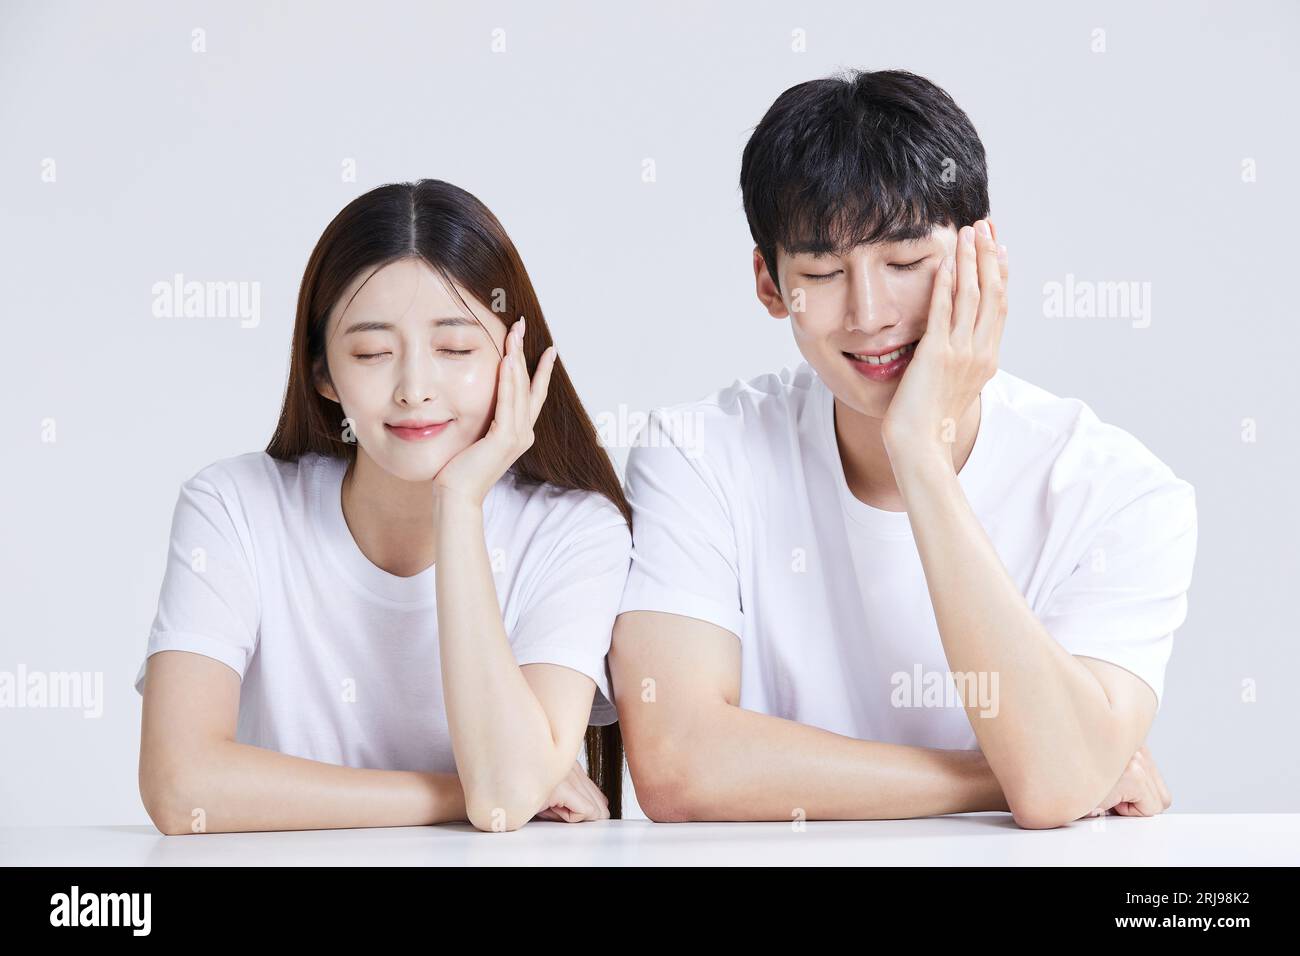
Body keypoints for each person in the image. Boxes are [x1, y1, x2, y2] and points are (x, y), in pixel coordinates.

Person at [610, 70, 1194, 828]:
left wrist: (920, 453)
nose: (870, 313)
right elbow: (679, 767)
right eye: (821, 272)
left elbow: (1055, 787)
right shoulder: (698, 456)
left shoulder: (1119, 493)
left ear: (981, 253)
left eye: (906, 264)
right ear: (769, 282)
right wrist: (998, 774)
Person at [136, 180, 630, 834]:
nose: (415, 389)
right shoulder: (233, 508)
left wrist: (458, 503)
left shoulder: (575, 532)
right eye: (372, 353)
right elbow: (180, 788)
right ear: (323, 373)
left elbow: (507, 794)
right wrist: (457, 792)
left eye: (455, 349)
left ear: (514, 356)